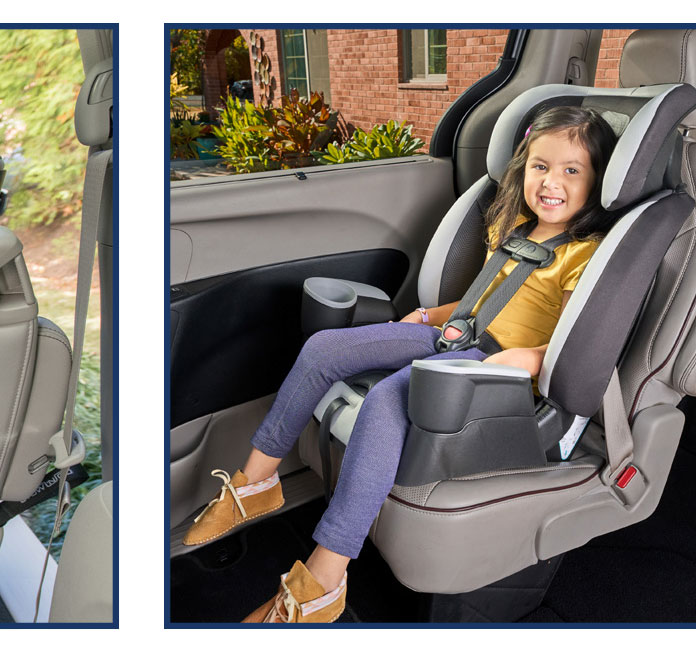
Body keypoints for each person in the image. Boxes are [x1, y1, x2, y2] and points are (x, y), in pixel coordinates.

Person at [181, 106, 619, 623]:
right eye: (540, 166)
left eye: (572, 170)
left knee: (391, 398)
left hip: (498, 368)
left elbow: (575, 345)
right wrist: (424, 317)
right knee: (324, 348)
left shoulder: (586, 255)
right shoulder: (514, 225)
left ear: (597, 181)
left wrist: (528, 359)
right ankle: (256, 482)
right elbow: (481, 301)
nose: (551, 181)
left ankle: (323, 581)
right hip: (455, 334)